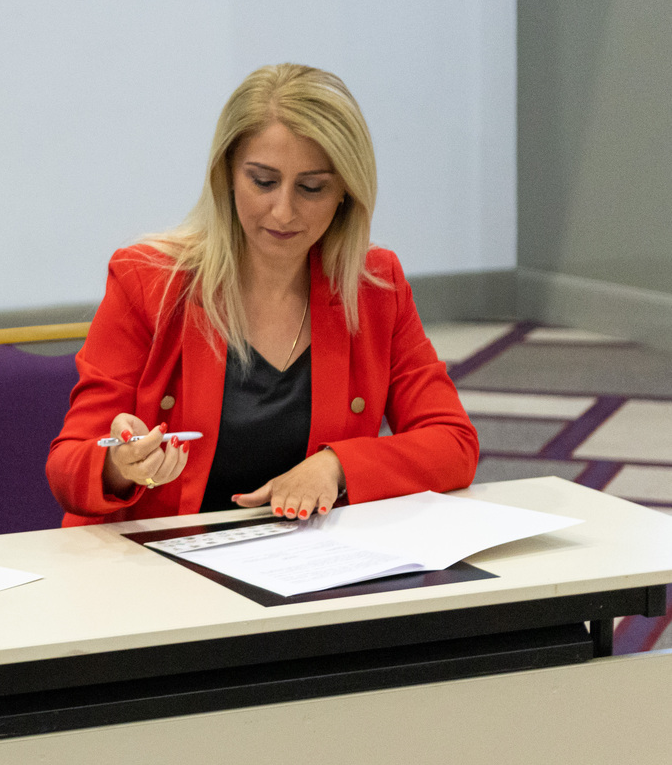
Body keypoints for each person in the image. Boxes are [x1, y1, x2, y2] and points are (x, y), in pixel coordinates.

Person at [47, 64, 478, 526]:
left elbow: (453, 443)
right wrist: (120, 466)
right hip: (160, 557)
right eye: (264, 182)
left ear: (346, 193)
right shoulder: (148, 280)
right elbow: (66, 467)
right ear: (228, 175)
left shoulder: (373, 284)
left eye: (312, 187)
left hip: (309, 559)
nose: (283, 211)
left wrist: (336, 466)